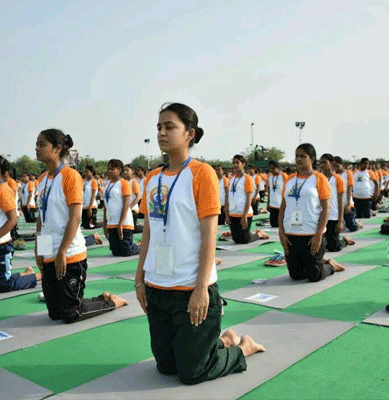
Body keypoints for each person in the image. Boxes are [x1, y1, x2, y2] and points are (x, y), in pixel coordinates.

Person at [135, 102, 264, 385]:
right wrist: (140, 278)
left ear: (189, 134)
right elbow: (148, 231)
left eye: (170, 127)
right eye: (159, 127)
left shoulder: (202, 173)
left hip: (189, 287)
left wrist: (201, 289)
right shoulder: (152, 178)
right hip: (158, 286)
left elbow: (209, 235)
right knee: (166, 367)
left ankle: (242, 348)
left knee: (191, 373)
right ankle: (220, 341)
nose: (162, 133)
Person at [34, 129, 127, 323]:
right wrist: (40, 249)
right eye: (37, 144)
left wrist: (62, 252)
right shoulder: (42, 179)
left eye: (42, 144)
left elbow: (74, 218)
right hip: (49, 252)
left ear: (57, 148)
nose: (37, 148)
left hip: (69, 254)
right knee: (55, 313)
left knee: (70, 314)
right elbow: (42, 218)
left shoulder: (70, 176)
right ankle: (98, 299)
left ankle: (112, 302)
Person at [278, 144, 344, 282]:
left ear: (312, 159)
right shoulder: (289, 180)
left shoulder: (319, 179)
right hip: (291, 234)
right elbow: (283, 207)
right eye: (297, 156)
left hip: (311, 235)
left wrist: (319, 234)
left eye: (303, 156)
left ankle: (330, 266)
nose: (299, 159)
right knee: (296, 276)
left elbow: (326, 208)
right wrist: (281, 232)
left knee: (314, 275)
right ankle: (316, 262)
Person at [0, 155, 40, 293]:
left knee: (3, 285)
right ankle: (25, 274)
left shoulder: (3, 190)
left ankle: (38, 277)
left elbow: (12, 219)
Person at [225, 155, 269, 244]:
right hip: (233, 213)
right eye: (234, 163)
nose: (235, 165)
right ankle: (252, 233)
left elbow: (249, 198)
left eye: (237, 162)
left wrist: (244, 215)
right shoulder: (231, 179)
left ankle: (259, 234)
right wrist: (227, 214)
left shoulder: (247, 178)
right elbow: (228, 197)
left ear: (243, 164)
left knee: (244, 240)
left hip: (244, 213)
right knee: (236, 239)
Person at [104, 159, 141, 256]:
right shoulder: (107, 184)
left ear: (119, 170)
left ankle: (141, 246)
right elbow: (105, 204)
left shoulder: (124, 183)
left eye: (112, 169)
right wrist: (105, 223)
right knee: (115, 252)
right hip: (112, 222)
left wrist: (120, 223)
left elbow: (126, 205)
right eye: (109, 169)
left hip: (124, 222)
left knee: (126, 251)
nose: (109, 171)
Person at [319, 154, 355, 252]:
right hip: (319, 215)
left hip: (333, 215)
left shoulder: (338, 180)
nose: (322, 165)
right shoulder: (317, 178)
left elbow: (340, 201)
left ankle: (345, 241)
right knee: (320, 246)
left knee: (334, 247)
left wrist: (340, 220)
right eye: (321, 162)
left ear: (331, 164)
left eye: (325, 162)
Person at [266, 160, 287, 228]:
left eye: (273, 168)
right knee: (273, 225)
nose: (271, 170)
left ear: (278, 167)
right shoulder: (270, 177)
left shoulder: (284, 176)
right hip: (272, 205)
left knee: (281, 225)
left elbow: (288, 190)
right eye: (270, 168)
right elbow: (269, 191)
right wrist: (268, 203)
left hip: (281, 205)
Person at [81, 165, 99, 229]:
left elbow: (93, 195)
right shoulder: (85, 182)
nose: (85, 173)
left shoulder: (93, 181)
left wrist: (90, 207)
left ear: (92, 172)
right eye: (85, 172)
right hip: (84, 206)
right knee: (84, 226)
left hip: (91, 206)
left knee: (91, 226)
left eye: (87, 172)